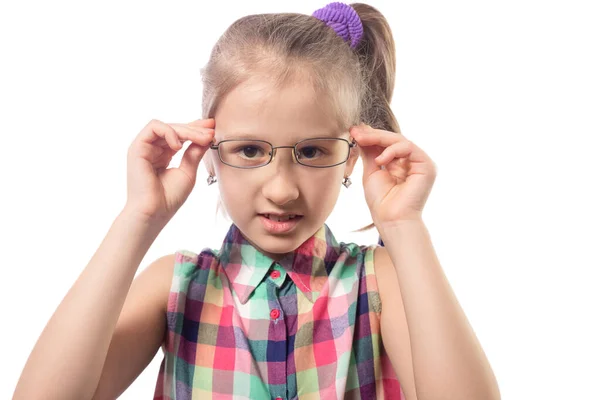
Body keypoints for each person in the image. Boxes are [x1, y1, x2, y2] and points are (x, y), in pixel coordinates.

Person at [13, 2, 500, 400]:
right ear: (208, 151)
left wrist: (405, 227)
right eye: (249, 150)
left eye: (311, 151)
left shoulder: (379, 282)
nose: (282, 188)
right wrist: (139, 218)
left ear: (351, 157)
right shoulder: (177, 285)